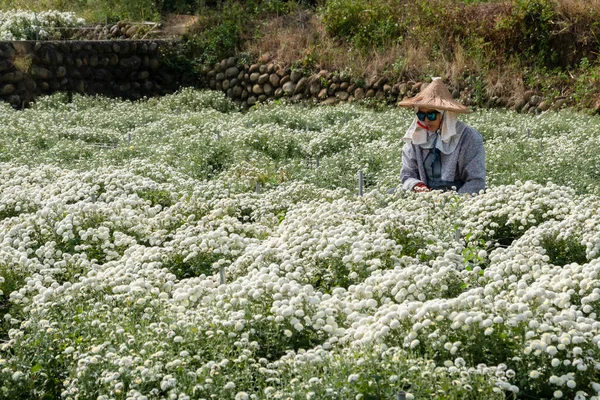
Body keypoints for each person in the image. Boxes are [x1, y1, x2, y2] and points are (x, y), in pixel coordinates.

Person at [398, 77, 486, 195]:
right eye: (421, 115)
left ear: (446, 115)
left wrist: (455, 203)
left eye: (432, 115)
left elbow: (476, 181)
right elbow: (407, 175)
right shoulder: (416, 136)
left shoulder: (469, 137)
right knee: (392, 192)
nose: (426, 120)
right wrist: (417, 186)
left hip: (458, 196)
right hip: (424, 198)